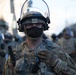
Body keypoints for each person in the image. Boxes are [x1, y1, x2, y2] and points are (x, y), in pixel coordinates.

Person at [3, 0, 76, 75]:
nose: (34, 26)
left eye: (38, 23)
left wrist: (55, 62)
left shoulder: (57, 51)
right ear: (23, 27)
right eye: (30, 24)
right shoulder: (15, 54)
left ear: (44, 26)